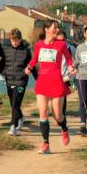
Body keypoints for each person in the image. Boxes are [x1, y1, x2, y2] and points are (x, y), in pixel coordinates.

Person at [24, 20, 75, 154]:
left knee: (57, 115)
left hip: (57, 82)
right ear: (46, 29)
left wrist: (71, 68)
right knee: (43, 114)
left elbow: (69, 60)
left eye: (57, 28)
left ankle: (64, 129)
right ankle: (46, 144)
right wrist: (28, 68)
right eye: (54, 27)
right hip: (42, 82)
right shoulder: (38, 45)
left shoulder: (61, 45)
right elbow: (34, 59)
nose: (56, 30)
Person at [1, 28, 32, 136]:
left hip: (21, 82)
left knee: (15, 103)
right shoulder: (6, 49)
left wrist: (37, 77)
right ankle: (21, 117)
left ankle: (13, 127)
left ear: (20, 39)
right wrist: (0, 73)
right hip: (9, 80)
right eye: (12, 40)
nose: (14, 42)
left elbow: (31, 64)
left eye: (17, 40)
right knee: (13, 103)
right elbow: (2, 63)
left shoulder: (26, 50)